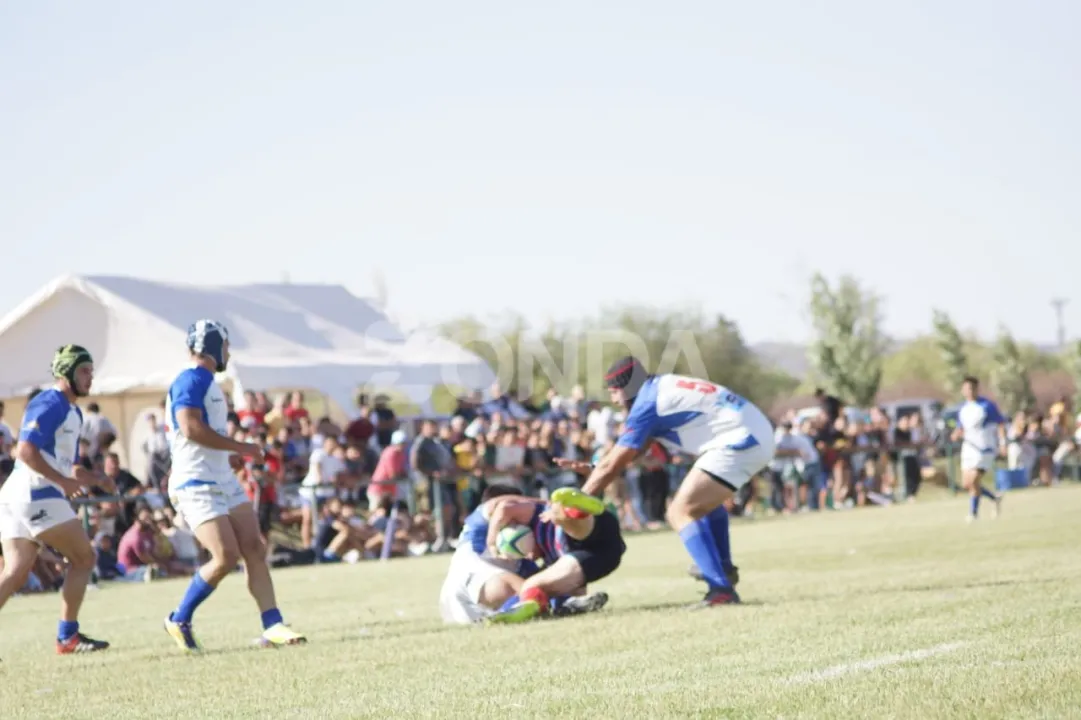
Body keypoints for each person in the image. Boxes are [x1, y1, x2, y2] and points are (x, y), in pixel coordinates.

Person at [560, 357, 775, 608]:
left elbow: (616, 462)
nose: (614, 400)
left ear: (627, 388)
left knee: (679, 512)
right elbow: (635, 449)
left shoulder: (647, 404)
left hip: (740, 440)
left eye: (614, 391)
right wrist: (596, 469)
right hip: (754, 433)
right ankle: (722, 569)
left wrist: (579, 500)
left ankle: (721, 589)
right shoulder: (661, 387)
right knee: (702, 506)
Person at [163, 319, 306, 651]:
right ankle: (179, 618)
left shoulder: (209, 383)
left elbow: (201, 438)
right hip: (195, 482)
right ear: (214, 346)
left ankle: (273, 625)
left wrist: (229, 457)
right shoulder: (191, 378)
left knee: (254, 547)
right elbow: (189, 428)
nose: (228, 353)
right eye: (226, 346)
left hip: (220, 477)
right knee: (225, 556)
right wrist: (240, 447)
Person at [0, 344, 115, 653]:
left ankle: (68, 637)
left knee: (15, 572)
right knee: (84, 558)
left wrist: (96, 479)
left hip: (19, 496)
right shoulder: (50, 402)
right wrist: (63, 482)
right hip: (35, 494)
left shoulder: (73, 411)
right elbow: (25, 450)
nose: (90, 377)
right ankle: (67, 637)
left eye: (91, 370)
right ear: (66, 372)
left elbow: (69, 466)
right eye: (84, 370)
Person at [483, 486, 621, 624]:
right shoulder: (550, 560)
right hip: (601, 557)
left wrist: (492, 543)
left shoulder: (534, 515)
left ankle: (575, 509)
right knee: (530, 586)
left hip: (590, 526)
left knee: (565, 523)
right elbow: (575, 585)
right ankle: (529, 606)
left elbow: (504, 507)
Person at [951, 376, 1004, 522]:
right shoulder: (963, 409)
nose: (969, 391)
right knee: (967, 483)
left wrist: (1003, 443)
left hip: (984, 448)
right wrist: (956, 434)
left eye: (972, 388)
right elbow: (961, 427)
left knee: (974, 480)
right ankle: (994, 498)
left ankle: (973, 514)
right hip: (968, 448)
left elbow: (1000, 423)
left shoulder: (987, 406)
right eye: (966, 388)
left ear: (977, 389)